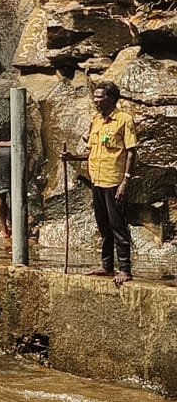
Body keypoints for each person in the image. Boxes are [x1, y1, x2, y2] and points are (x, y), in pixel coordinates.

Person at [60, 81, 137, 287]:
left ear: (111, 98)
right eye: (95, 97)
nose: (96, 101)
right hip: (97, 180)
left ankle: (125, 269)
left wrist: (125, 181)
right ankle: (106, 265)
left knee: (117, 225)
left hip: (114, 180)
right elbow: (92, 152)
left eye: (100, 97)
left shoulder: (124, 120)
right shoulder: (96, 121)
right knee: (103, 225)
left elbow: (131, 152)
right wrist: (72, 157)